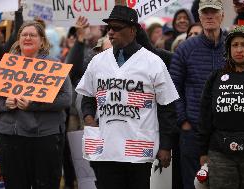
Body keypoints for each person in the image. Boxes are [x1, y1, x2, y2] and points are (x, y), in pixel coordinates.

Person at [75, 5, 179, 189]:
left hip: (138, 150)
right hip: (105, 148)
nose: (111, 32)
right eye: (109, 28)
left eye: (116, 28)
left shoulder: (153, 62)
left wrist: (165, 146)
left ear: (132, 30)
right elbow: (88, 97)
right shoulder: (98, 61)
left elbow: (167, 107)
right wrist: (89, 117)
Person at [0, 21, 72, 189]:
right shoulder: (6, 65)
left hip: (45, 138)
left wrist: (33, 105)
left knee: (46, 184)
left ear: (42, 41)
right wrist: (5, 104)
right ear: (18, 39)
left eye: (32, 35)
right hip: (11, 138)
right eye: (24, 35)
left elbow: (66, 99)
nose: (27, 38)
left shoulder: (55, 65)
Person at [198, 25, 244, 189]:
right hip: (220, 153)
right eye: (234, 45)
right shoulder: (216, 77)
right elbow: (205, 117)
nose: (239, 49)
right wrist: (202, 152)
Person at [169, 1, 225, 188]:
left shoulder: (234, 46)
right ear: (199, 17)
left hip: (226, 130)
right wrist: (183, 121)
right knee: (193, 183)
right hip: (193, 130)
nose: (210, 16)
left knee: (224, 181)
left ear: (222, 16)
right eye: (205, 12)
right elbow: (172, 87)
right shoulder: (186, 49)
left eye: (214, 12)